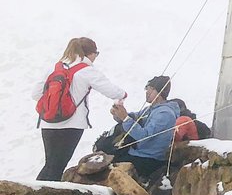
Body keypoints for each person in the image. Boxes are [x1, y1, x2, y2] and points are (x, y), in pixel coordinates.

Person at [32, 37, 127, 182]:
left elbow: (36, 94)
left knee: (51, 164)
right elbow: (111, 91)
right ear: (90, 53)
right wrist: (123, 95)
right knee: (57, 166)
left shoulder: (55, 68)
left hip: (48, 122)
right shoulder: (87, 70)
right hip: (72, 124)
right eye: (96, 53)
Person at [106, 75, 181, 181]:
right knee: (107, 155)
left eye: (150, 89)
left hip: (149, 158)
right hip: (137, 152)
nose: (147, 92)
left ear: (159, 92)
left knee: (111, 171)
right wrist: (119, 114)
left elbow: (144, 136)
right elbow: (134, 118)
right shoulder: (150, 109)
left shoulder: (165, 114)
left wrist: (125, 118)